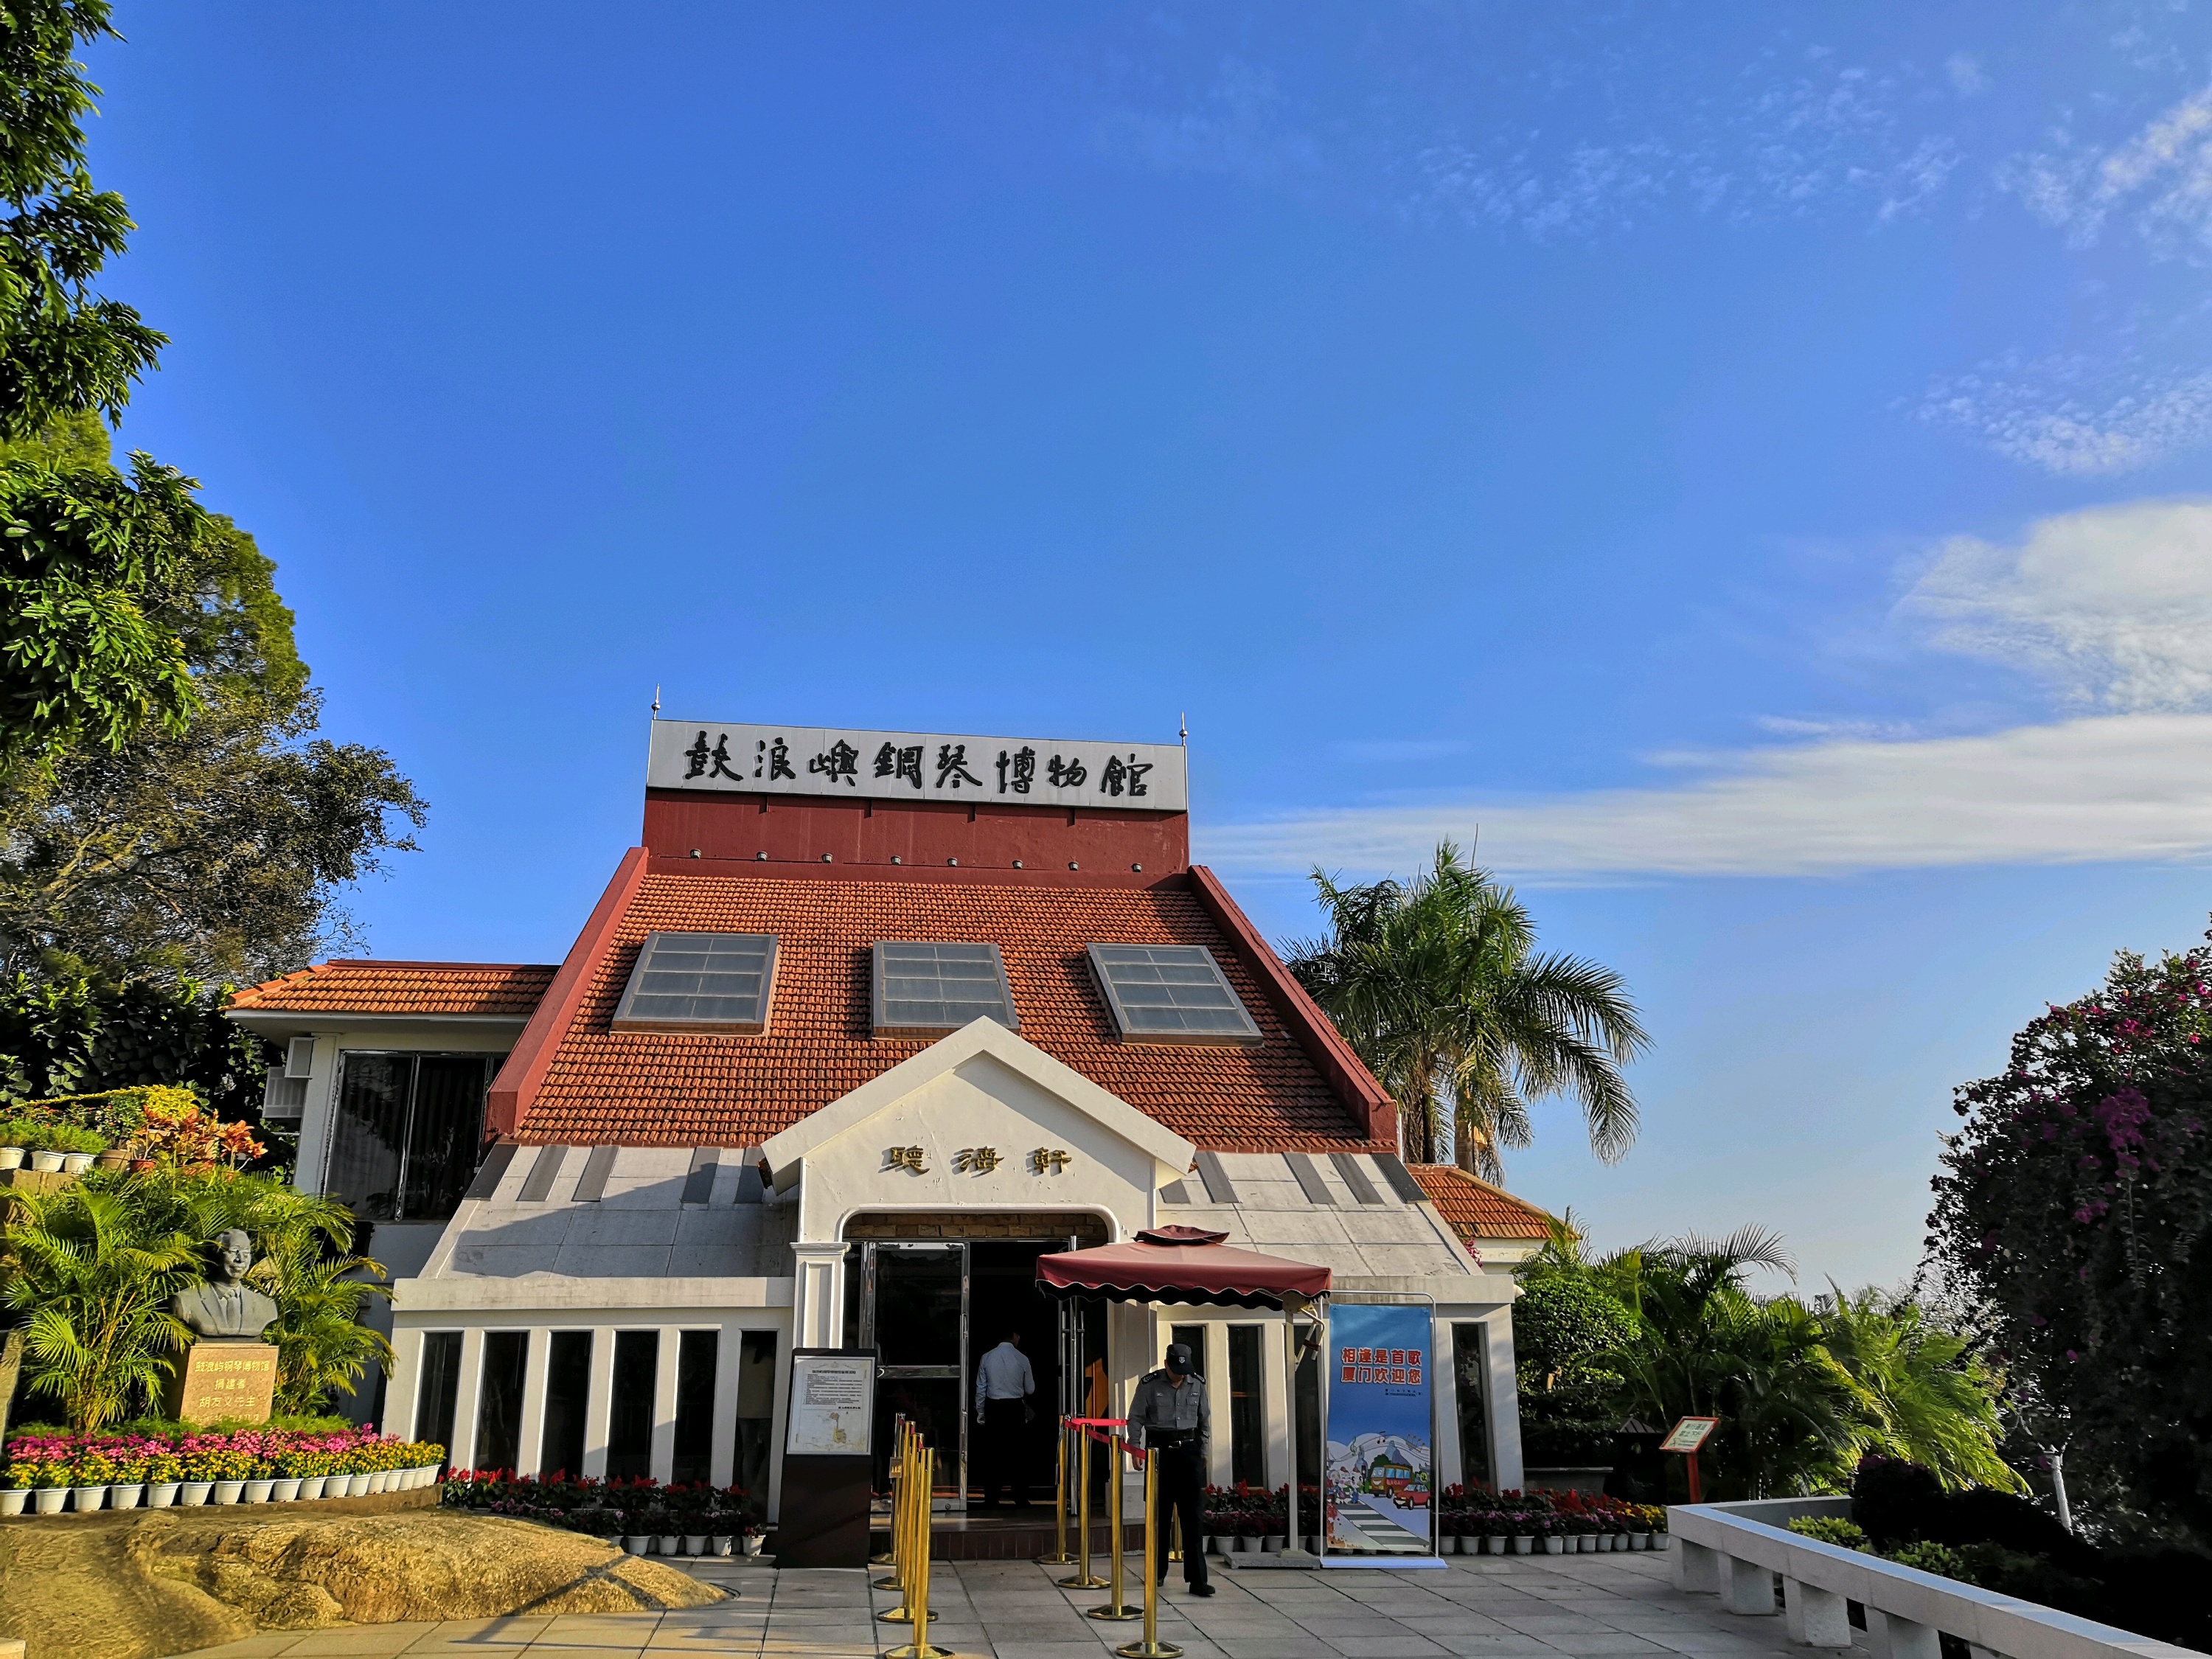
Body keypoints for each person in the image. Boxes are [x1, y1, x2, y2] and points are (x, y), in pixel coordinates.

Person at [1128, 1341, 1213, 1596]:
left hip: (1189, 1451)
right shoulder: (1150, 1384)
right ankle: (1157, 1573)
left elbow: (1204, 1420)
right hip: (1159, 1453)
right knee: (1159, 1517)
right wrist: (1135, 1447)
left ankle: (1197, 1580)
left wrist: (1204, 1451)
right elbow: (1136, 1417)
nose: (1181, 1375)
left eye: (1184, 1370)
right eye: (1176, 1370)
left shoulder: (1196, 1383)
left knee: (1193, 1518)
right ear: (1167, 1364)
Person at [173, 1229, 279, 1340]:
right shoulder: (185, 1301)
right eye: (234, 1251)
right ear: (216, 1255)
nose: (240, 1259)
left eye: (246, 1253)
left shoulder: (266, 1306)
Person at [973, 1328, 1035, 1508]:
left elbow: (981, 1388)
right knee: (1018, 1455)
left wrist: (981, 1412)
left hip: (994, 1407)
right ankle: (1021, 1497)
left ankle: (992, 1497)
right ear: (1014, 1336)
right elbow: (1030, 1389)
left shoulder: (987, 1357)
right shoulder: (1022, 1358)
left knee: (993, 1455)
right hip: (1015, 1408)